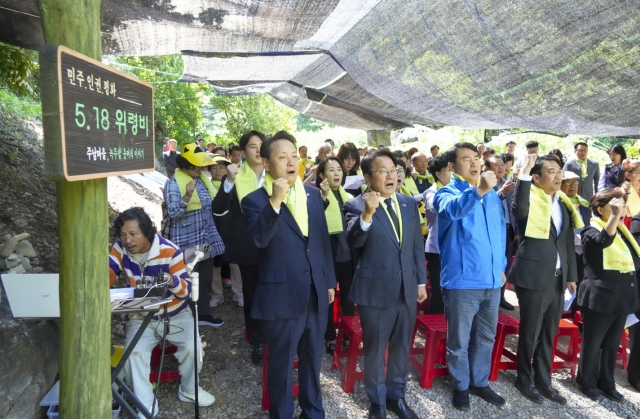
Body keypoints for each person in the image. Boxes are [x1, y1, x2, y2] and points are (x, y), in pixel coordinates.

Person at [243, 131, 336, 419]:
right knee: (281, 366)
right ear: (267, 163)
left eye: (294, 155)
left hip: (316, 291)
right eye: (282, 157)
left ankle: (313, 411)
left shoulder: (311, 194)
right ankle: (281, 414)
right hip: (282, 297)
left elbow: (321, 241)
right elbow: (258, 240)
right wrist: (275, 202)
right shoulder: (254, 200)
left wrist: (329, 280)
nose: (291, 161)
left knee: (312, 360)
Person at [344, 149, 427, 419]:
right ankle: (377, 402)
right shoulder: (356, 205)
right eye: (383, 171)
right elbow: (353, 240)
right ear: (368, 177)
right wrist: (367, 214)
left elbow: (416, 246)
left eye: (394, 169)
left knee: (402, 347)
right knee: (376, 350)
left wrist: (421, 282)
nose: (391, 175)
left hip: (407, 291)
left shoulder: (407, 203)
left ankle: (396, 396)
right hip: (375, 292)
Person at [109, 207, 215, 413]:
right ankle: (145, 402)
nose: (127, 240)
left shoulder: (171, 251)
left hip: (176, 313)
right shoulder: (120, 249)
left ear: (147, 232)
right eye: (123, 235)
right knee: (133, 354)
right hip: (140, 315)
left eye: (133, 234)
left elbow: (186, 291)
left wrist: (171, 279)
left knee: (193, 348)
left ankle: (189, 389)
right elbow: (109, 271)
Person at [434, 142, 506, 411]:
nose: (475, 163)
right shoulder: (446, 193)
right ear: (452, 167)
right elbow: (454, 210)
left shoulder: (492, 196)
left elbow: (500, 233)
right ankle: (460, 385)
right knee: (459, 341)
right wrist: (479, 190)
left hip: (492, 281)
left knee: (486, 336)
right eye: (466, 159)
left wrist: (500, 265)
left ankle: (479, 381)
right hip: (462, 281)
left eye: (476, 158)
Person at [508, 154, 582, 405]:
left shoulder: (563, 203)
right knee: (531, 331)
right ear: (537, 178)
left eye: (559, 170)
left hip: (558, 279)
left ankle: (543, 379)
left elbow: (567, 243)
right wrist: (525, 174)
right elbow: (519, 210)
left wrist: (571, 275)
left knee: (550, 332)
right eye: (551, 171)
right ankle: (524, 378)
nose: (558, 175)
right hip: (534, 276)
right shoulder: (529, 199)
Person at [577, 189, 640, 402]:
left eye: (623, 206)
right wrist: (614, 217)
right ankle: (586, 381)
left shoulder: (623, 232)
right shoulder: (590, 230)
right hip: (600, 296)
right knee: (593, 342)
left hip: (621, 296)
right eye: (615, 207)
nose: (621, 211)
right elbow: (602, 241)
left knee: (612, 343)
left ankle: (607, 382)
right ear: (600, 209)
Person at [212, 130, 267, 364]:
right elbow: (218, 210)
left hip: (276, 247)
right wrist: (230, 182)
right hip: (248, 246)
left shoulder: (276, 175)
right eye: (252, 146)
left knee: (274, 293)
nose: (258, 150)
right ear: (243, 152)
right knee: (253, 295)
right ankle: (258, 342)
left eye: (261, 145)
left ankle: (277, 336)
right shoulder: (236, 176)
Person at [163, 143, 225, 328]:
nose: (202, 168)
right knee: (189, 281)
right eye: (198, 165)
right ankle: (187, 320)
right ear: (188, 165)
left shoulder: (200, 180)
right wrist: (187, 197)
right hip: (187, 242)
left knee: (204, 279)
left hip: (204, 239)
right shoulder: (173, 183)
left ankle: (203, 314)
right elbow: (173, 213)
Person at [316, 156, 356, 355]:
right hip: (328, 254)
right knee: (328, 298)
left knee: (349, 299)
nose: (337, 173)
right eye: (331, 170)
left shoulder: (347, 196)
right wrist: (323, 196)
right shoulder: (316, 197)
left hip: (347, 255)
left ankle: (348, 335)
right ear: (322, 175)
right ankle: (330, 336)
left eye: (338, 169)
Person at [207, 155, 243, 308]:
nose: (217, 170)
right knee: (215, 263)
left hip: (231, 229)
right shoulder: (204, 185)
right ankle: (216, 295)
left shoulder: (235, 184)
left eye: (221, 167)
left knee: (235, 262)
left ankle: (239, 293)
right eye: (214, 167)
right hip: (212, 228)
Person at [485, 156, 516, 310]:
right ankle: (490, 297)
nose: (500, 168)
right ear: (487, 168)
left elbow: (513, 207)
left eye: (502, 165)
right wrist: (501, 192)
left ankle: (501, 296)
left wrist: (516, 230)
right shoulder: (484, 185)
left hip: (508, 228)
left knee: (506, 264)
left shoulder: (507, 183)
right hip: (492, 229)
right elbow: (487, 204)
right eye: (496, 165)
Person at [423, 154, 452, 314]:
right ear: (438, 174)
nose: (452, 173)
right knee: (439, 289)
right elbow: (437, 207)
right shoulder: (431, 192)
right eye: (448, 170)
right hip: (437, 249)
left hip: (453, 247)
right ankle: (435, 322)